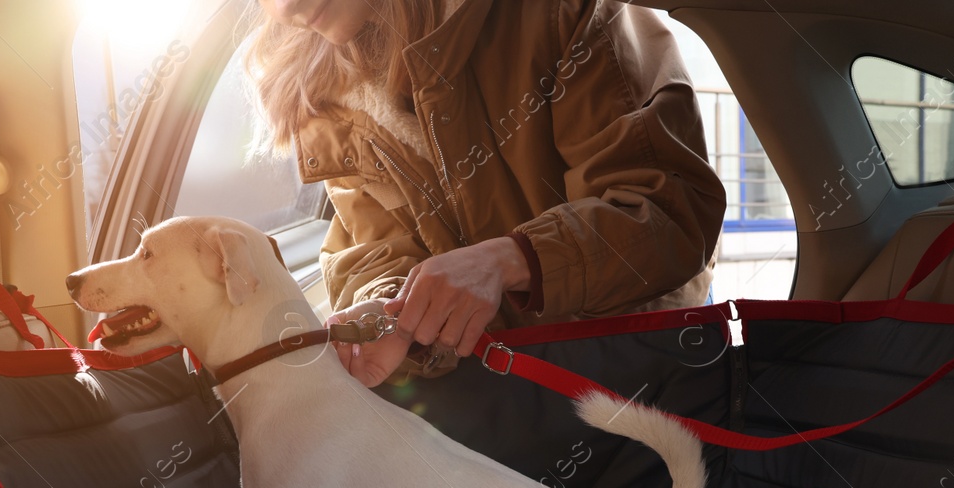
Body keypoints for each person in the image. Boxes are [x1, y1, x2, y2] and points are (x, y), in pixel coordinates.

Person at [245, 0, 727, 386]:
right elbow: (377, 249)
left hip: (642, 374)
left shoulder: (561, 11)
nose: (284, 9)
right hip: (498, 400)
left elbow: (668, 212)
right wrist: (391, 313)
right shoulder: (320, 94)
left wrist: (511, 260)